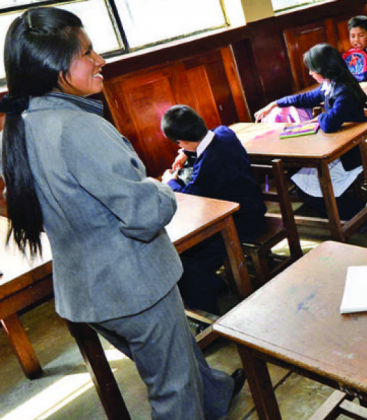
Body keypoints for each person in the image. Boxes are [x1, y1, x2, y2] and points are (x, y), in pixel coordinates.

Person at [0, 7, 242, 419]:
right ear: (53, 65)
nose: (101, 61)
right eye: (88, 53)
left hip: (87, 291)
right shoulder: (79, 128)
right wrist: (159, 187)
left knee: (177, 353)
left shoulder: (19, 128)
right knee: (172, 390)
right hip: (135, 287)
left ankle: (215, 395)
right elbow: (145, 211)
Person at [161, 105, 267, 314]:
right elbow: (205, 153)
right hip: (253, 209)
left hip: (242, 224)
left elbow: (191, 195)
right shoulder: (224, 133)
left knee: (184, 257)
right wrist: (187, 154)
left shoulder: (209, 163)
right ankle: (215, 286)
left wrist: (170, 182)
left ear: (180, 141)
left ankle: (208, 311)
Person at [254, 43, 367, 220]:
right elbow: (304, 98)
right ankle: (349, 209)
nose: (310, 74)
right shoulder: (331, 84)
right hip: (339, 147)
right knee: (300, 178)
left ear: (324, 68)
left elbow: (330, 123)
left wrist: (320, 117)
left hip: (352, 152)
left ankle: (357, 212)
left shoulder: (343, 91)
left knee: (306, 188)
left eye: (312, 69)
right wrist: (275, 104)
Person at [345, 15, 367, 82]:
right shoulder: (350, 56)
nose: (356, 40)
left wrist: (355, 78)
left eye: (361, 35)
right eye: (353, 36)